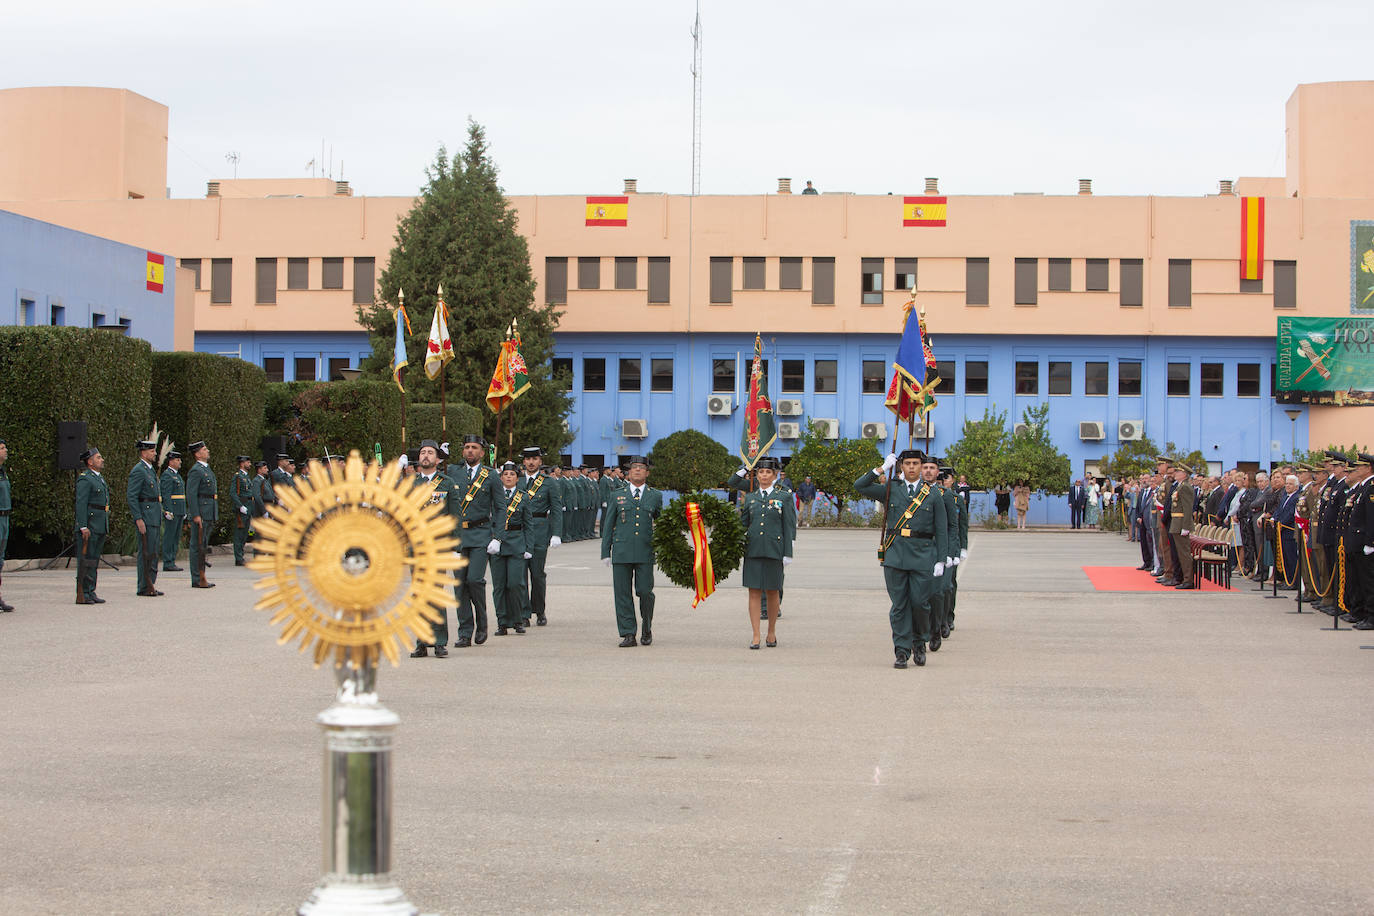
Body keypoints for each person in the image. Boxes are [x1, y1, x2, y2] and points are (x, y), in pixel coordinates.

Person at [855, 450, 948, 668]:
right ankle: (902, 650)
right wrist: (881, 468)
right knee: (899, 605)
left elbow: (941, 529)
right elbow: (860, 486)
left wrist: (941, 559)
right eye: (908, 463)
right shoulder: (891, 489)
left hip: (923, 555)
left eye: (916, 463)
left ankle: (919, 642)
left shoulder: (933, 494)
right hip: (895, 555)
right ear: (901, 467)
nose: (913, 467)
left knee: (920, 604)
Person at [600, 455, 662, 647]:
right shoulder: (616, 495)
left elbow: (661, 524)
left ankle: (647, 627)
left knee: (645, 591)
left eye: (641, 468)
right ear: (628, 472)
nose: (637, 470)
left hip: (645, 550)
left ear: (647, 472)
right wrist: (605, 551)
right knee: (622, 593)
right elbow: (608, 523)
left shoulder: (655, 496)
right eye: (634, 467)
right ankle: (628, 633)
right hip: (622, 550)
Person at [739, 456, 796, 649]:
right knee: (753, 592)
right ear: (757, 475)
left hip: (774, 550)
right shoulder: (751, 497)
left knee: (772, 592)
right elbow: (743, 524)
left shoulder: (784, 497)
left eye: (768, 472)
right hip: (753, 549)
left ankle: (771, 632)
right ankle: (756, 635)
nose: (764, 475)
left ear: (775, 475)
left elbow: (788, 525)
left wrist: (788, 551)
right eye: (761, 472)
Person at [450, 434, 500, 646]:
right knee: (459, 585)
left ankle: (482, 622)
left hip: (480, 534)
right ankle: (464, 631)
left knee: (474, 580)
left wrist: (497, 536)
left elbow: (500, 507)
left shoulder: (490, 476)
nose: (470, 451)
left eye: (474, 448)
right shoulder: (453, 473)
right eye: (467, 447)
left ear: (482, 452)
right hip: (458, 537)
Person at [409, 440, 455, 658]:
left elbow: (454, 517)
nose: (426, 456)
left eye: (430, 453)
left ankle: (439, 641)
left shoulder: (447, 483)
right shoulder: (410, 485)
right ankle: (421, 641)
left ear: (438, 459)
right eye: (423, 453)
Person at [518, 445, 563, 627]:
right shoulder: (517, 482)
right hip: (519, 532)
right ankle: (523, 612)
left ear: (540, 461)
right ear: (523, 462)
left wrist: (556, 533)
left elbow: (557, 509)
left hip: (539, 531)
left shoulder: (549, 482)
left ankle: (539, 610)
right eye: (528, 459)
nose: (531, 462)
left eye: (534, 459)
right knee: (520, 575)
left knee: (537, 574)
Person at [488, 461, 532, 636]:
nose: (508, 477)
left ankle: (518, 619)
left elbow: (528, 524)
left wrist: (528, 547)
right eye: (505, 475)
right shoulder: (493, 497)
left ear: (517, 478)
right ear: (500, 478)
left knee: (515, 583)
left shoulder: (523, 497)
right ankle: (502, 622)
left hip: (515, 543)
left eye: (512, 475)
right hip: (496, 544)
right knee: (499, 586)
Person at [127, 439, 163, 597]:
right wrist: (138, 518)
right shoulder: (139, 470)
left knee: (153, 552)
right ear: (143, 452)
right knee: (146, 552)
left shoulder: (149, 470)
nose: (154, 453)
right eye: (151, 451)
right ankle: (144, 585)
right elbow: (132, 496)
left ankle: (151, 583)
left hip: (154, 515)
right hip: (146, 516)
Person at [73, 447, 109, 605]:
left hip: (100, 523)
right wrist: (83, 526)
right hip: (90, 525)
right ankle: (83, 591)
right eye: (98, 457)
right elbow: (81, 504)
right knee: (86, 559)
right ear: (90, 461)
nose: (102, 460)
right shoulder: (85, 478)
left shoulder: (99, 478)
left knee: (94, 560)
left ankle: (91, 590)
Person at [185, 441, 218, 589]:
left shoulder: (206, 469)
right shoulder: (196, 470)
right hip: (202, 512)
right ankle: (197, 577)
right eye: (205, 449)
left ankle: (202, 575)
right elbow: (191, 494)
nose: (208, 451)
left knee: (203, 544)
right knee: (197, 545)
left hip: (208, 510)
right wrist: (195, 514)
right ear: (197, 454)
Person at [1168, 463, 1197, 589]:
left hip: (1181, 523)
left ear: (1184, 475)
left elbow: (1187, 508)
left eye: (1178, 472)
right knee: (1180, 553)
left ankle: (1188, 580)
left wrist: (1186, 526)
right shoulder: (1180, 486)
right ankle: (1184, 578)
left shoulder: (1186, 487)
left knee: (1184, 553)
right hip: (1176, 522)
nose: (1175, 474)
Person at [159, 451, 186, 571]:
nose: (180, 462)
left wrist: (183, 510)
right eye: (177, 460)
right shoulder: (167, 475)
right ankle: (168, 562)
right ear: (171, 461)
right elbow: (166, 494)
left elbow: (181, 495)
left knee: (175, 537)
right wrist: (168, 510)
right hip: (173, 511)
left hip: (179, 510)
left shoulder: (177, 475)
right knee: (169, 536)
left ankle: (172, 560)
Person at [231, 454, 253, 566]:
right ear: (242, 463)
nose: (249, 464)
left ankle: (241, 555)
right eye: (247, 462)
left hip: (248, 506)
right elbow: (233, 493)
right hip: (242, 507)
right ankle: (238, 558)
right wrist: (239, 506)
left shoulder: (247, 477)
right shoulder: (238, 476)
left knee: (245, 534)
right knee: (239, 533)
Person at [0, 439, 11, 612]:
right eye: (2, 448)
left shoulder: (3, 472)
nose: (6, 450)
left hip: (4, 517)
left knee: (0, 560)